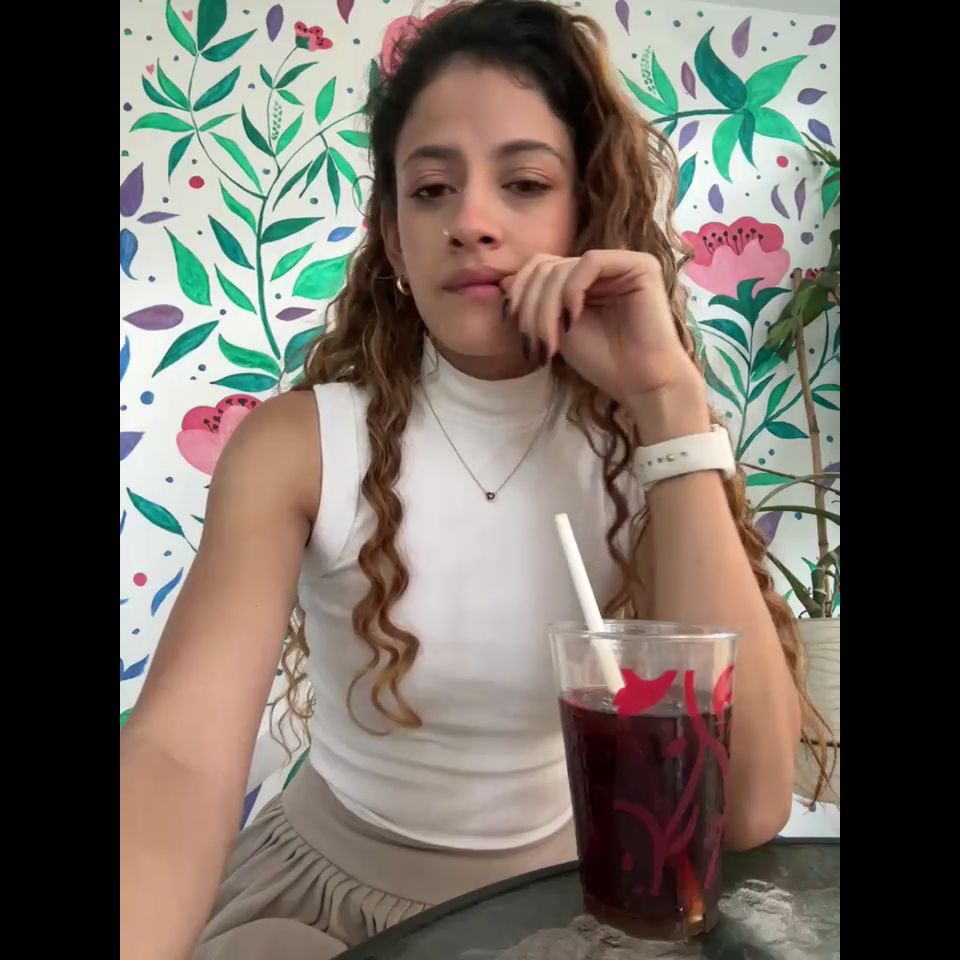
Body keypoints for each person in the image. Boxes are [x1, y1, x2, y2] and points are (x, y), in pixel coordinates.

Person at [119, 3, 830, 958]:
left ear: (586, 212)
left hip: (570, 905)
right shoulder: (297, 446)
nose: (471, 223)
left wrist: (667, 404)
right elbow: (177, 757)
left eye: (525, 183)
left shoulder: (658, 442)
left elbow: (742, 808)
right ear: (392, 234)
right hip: (320, 908)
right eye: (431, 190)